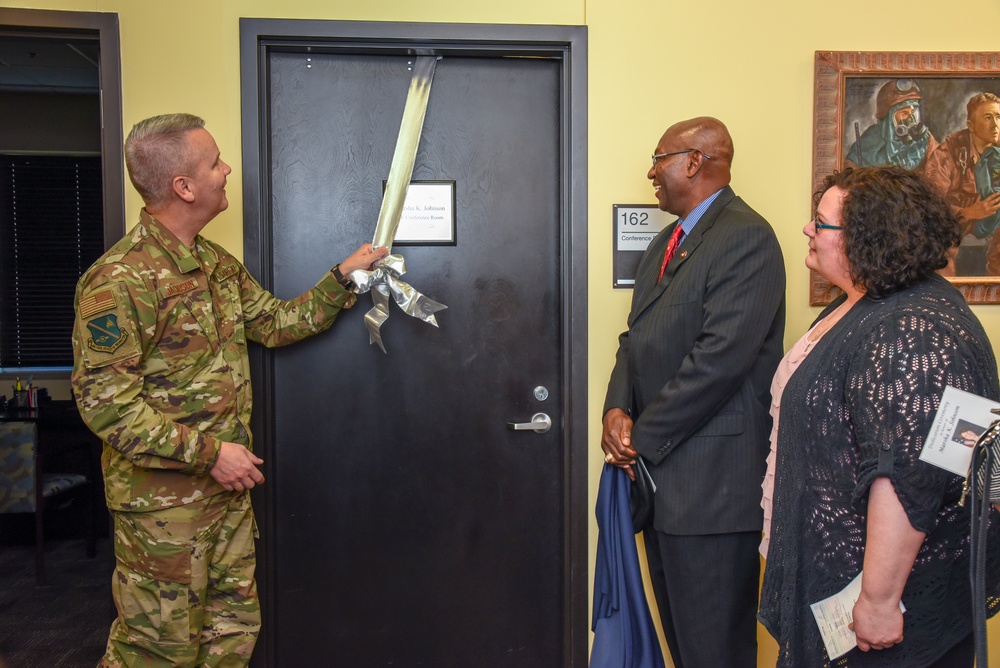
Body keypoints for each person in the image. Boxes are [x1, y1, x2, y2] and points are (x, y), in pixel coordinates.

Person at [70, 113, 386, 667]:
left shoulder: (214, 265)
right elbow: (107, 408)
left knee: (229, 637)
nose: (227, 170)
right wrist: (213, 454)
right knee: (155, 650)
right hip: (162, 512)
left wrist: (342, 275)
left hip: (226, 500)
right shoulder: (118, 280)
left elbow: (276, 323)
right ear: (183, 187)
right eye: (214, 162)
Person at [758, 166, 1000, 667]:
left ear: (865, 240)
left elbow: (911, 477)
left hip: (883, 607)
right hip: (841, 586)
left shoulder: (910, 329)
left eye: (820, 223)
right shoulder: (862, 304)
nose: (807, 229)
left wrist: (878, 600)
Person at [601, 116, 785, 667]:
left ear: (695, 161)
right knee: (685, 650)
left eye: (659, 159)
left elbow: (719, 361)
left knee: (715, 654)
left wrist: (641, 439)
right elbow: (635, 339)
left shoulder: (747, 236)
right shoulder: (666, 240)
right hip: (663, 490)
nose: (651, 173)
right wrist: (616, 406)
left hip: (712, 494)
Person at [924, 92, 1000, 275]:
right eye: (988, 118)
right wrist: (969, 212)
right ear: (971, 125)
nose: (996, 125)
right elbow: (929, 206)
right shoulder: (946, 154)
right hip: (957, 228)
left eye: (998, 117)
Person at [844, 79, 938, 172]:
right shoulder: (870, 139)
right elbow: (848, 170)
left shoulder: (925, 139)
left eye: (913, 112)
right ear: (889, 116)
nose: (911, 118)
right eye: (904, 113)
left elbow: (940, 168)